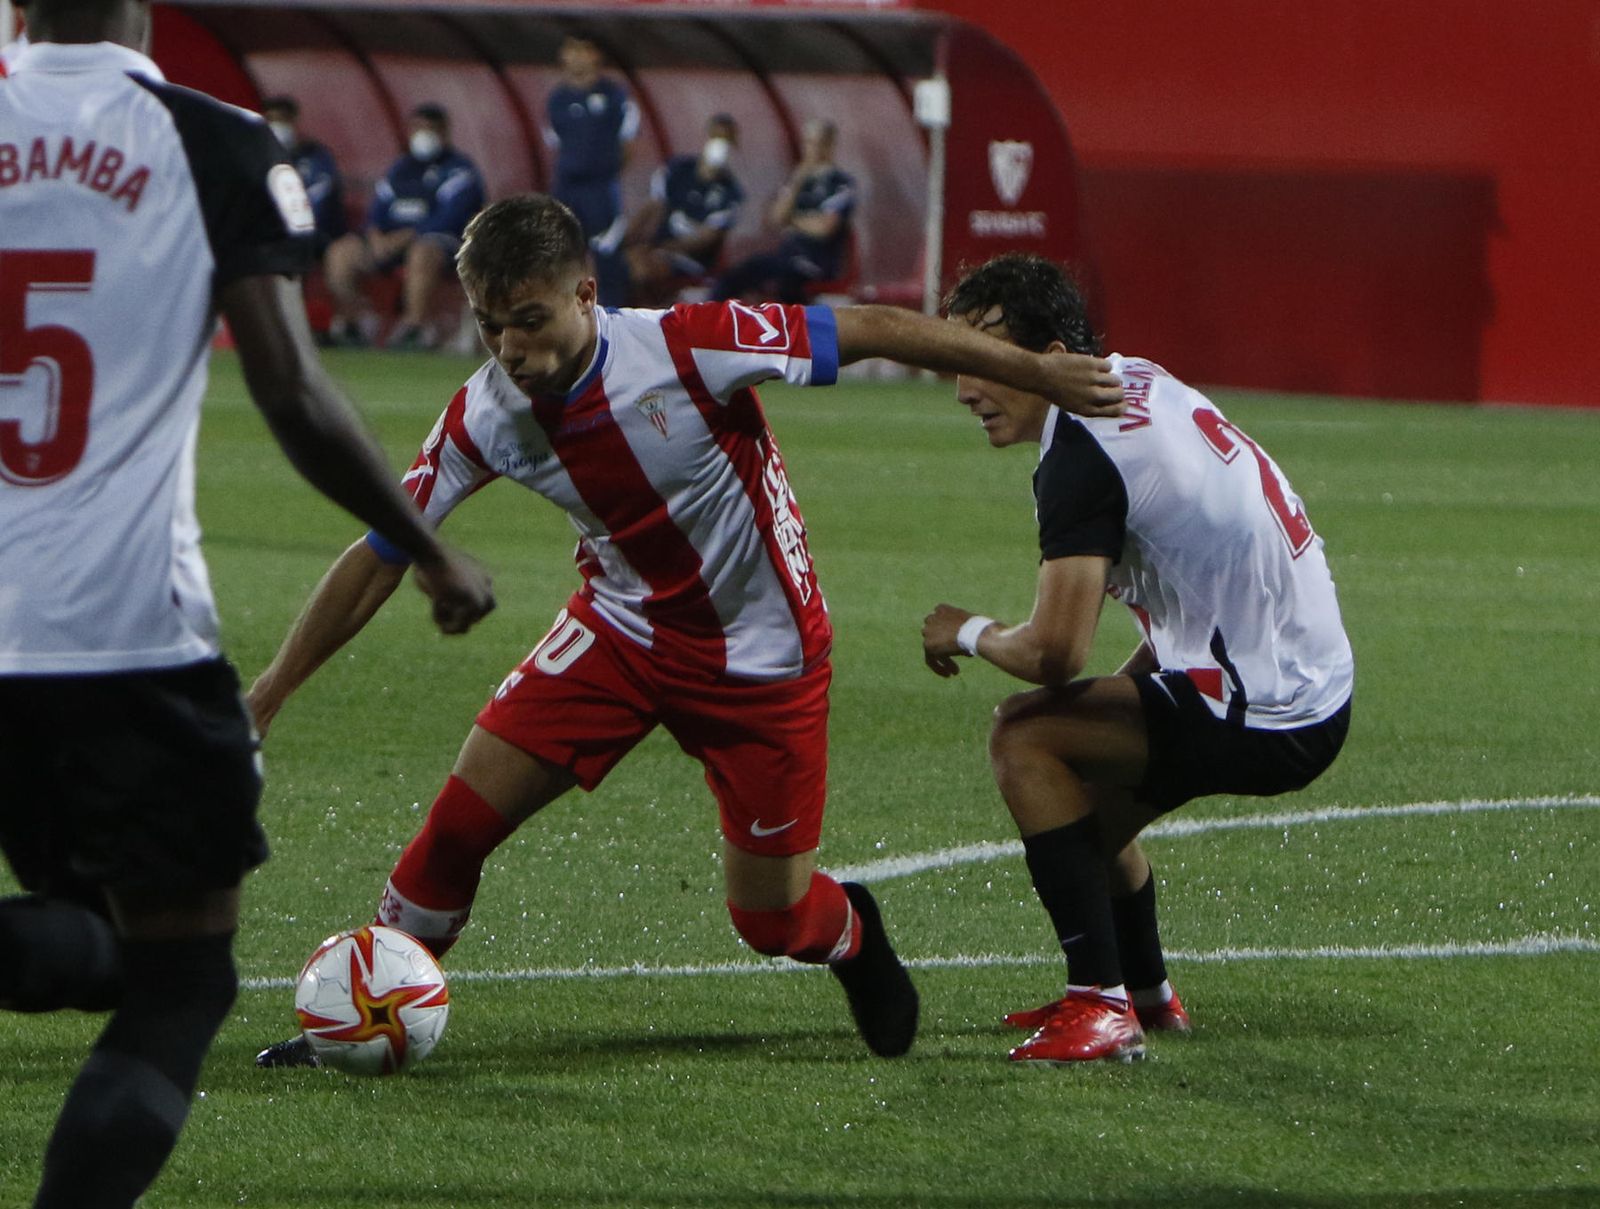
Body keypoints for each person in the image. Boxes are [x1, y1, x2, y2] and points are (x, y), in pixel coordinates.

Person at [249, 194, 1125, 1069]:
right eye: (488, 326)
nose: (511, 349)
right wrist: (269, 691)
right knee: (455, 827)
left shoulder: (685, 347)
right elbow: (381, 551)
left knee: (771, 919)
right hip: (618, 632)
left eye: (529, 320)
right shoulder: (484, 414)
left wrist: (1043, 376)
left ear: (586, 293)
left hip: (763, 656)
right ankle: (357, 1018)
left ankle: (853, 933)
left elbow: (876, 327)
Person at [0, 1, 495, 1204]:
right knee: (181, 978)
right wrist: (429, 549)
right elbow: (289, 385)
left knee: (100, 939)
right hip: (121, 636)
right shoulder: (212, 140)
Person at [920, 253, 1354, 1065]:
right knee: (1086, 794)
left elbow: (1053, 653)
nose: (964, 387)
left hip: (1269, 699)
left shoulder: (1082, 451)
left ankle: (1099, 1005)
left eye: (982, 362)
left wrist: (965, 629)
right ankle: (1147, 998)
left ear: (1049, 359)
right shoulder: (1131, 378)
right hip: (1293, 672)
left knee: (1024, 736)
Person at [323, 101, 485, 350]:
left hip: (439, 244)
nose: (423, 136)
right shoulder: (400, 169)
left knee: (423, 251)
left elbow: (451, 217)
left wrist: (407, 236)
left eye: (431, 129)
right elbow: (377, 210)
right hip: (389, 243)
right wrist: (375, 235)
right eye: (418, 129)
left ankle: (415, 328)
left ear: (445, 132)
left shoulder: (459, 170)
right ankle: (355, 321)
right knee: (340, 253)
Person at [713, 118, 854, 305]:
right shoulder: (798, 180)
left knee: (784, 285)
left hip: (816, 263)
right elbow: (777, 217)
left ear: (829, 146)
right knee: (733, 278)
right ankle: (711, 328)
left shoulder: (839, 184)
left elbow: (823, 228)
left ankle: (796, 331)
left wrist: (792, 220)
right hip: (786, 257)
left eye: (815, 143)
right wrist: (798, 181)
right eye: (807, 142)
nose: (809, 149)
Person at [544, 34, 638, 305]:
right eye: (571, 50)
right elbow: (555, 142)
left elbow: (627, 143)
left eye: (583, 50)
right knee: (561, 249)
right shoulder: (558, 99)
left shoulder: (614, 95)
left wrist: (606, 172)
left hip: (601, 187)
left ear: (596, 55)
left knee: (606, 250)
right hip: (567, 186)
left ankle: (612, 314)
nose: (576, 57)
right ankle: (561, 315)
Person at [622, 112, 744, 306]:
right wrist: (624, 241)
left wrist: (662, 248)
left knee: (641, 268)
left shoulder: (730, 192)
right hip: (656, 249)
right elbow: (653, 207)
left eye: (726, 140)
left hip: (690, 261)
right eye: (715, 137)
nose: (719, 145)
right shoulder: (678, 169)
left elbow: (707, 238)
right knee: (618, 263)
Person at [260, 94, 344, 254]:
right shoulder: (260, 157)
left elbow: (319, 203)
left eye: (282, 120)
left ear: (294, 121)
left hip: (316, 235)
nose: (277, 126)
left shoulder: (317, 157)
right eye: (272, 120)